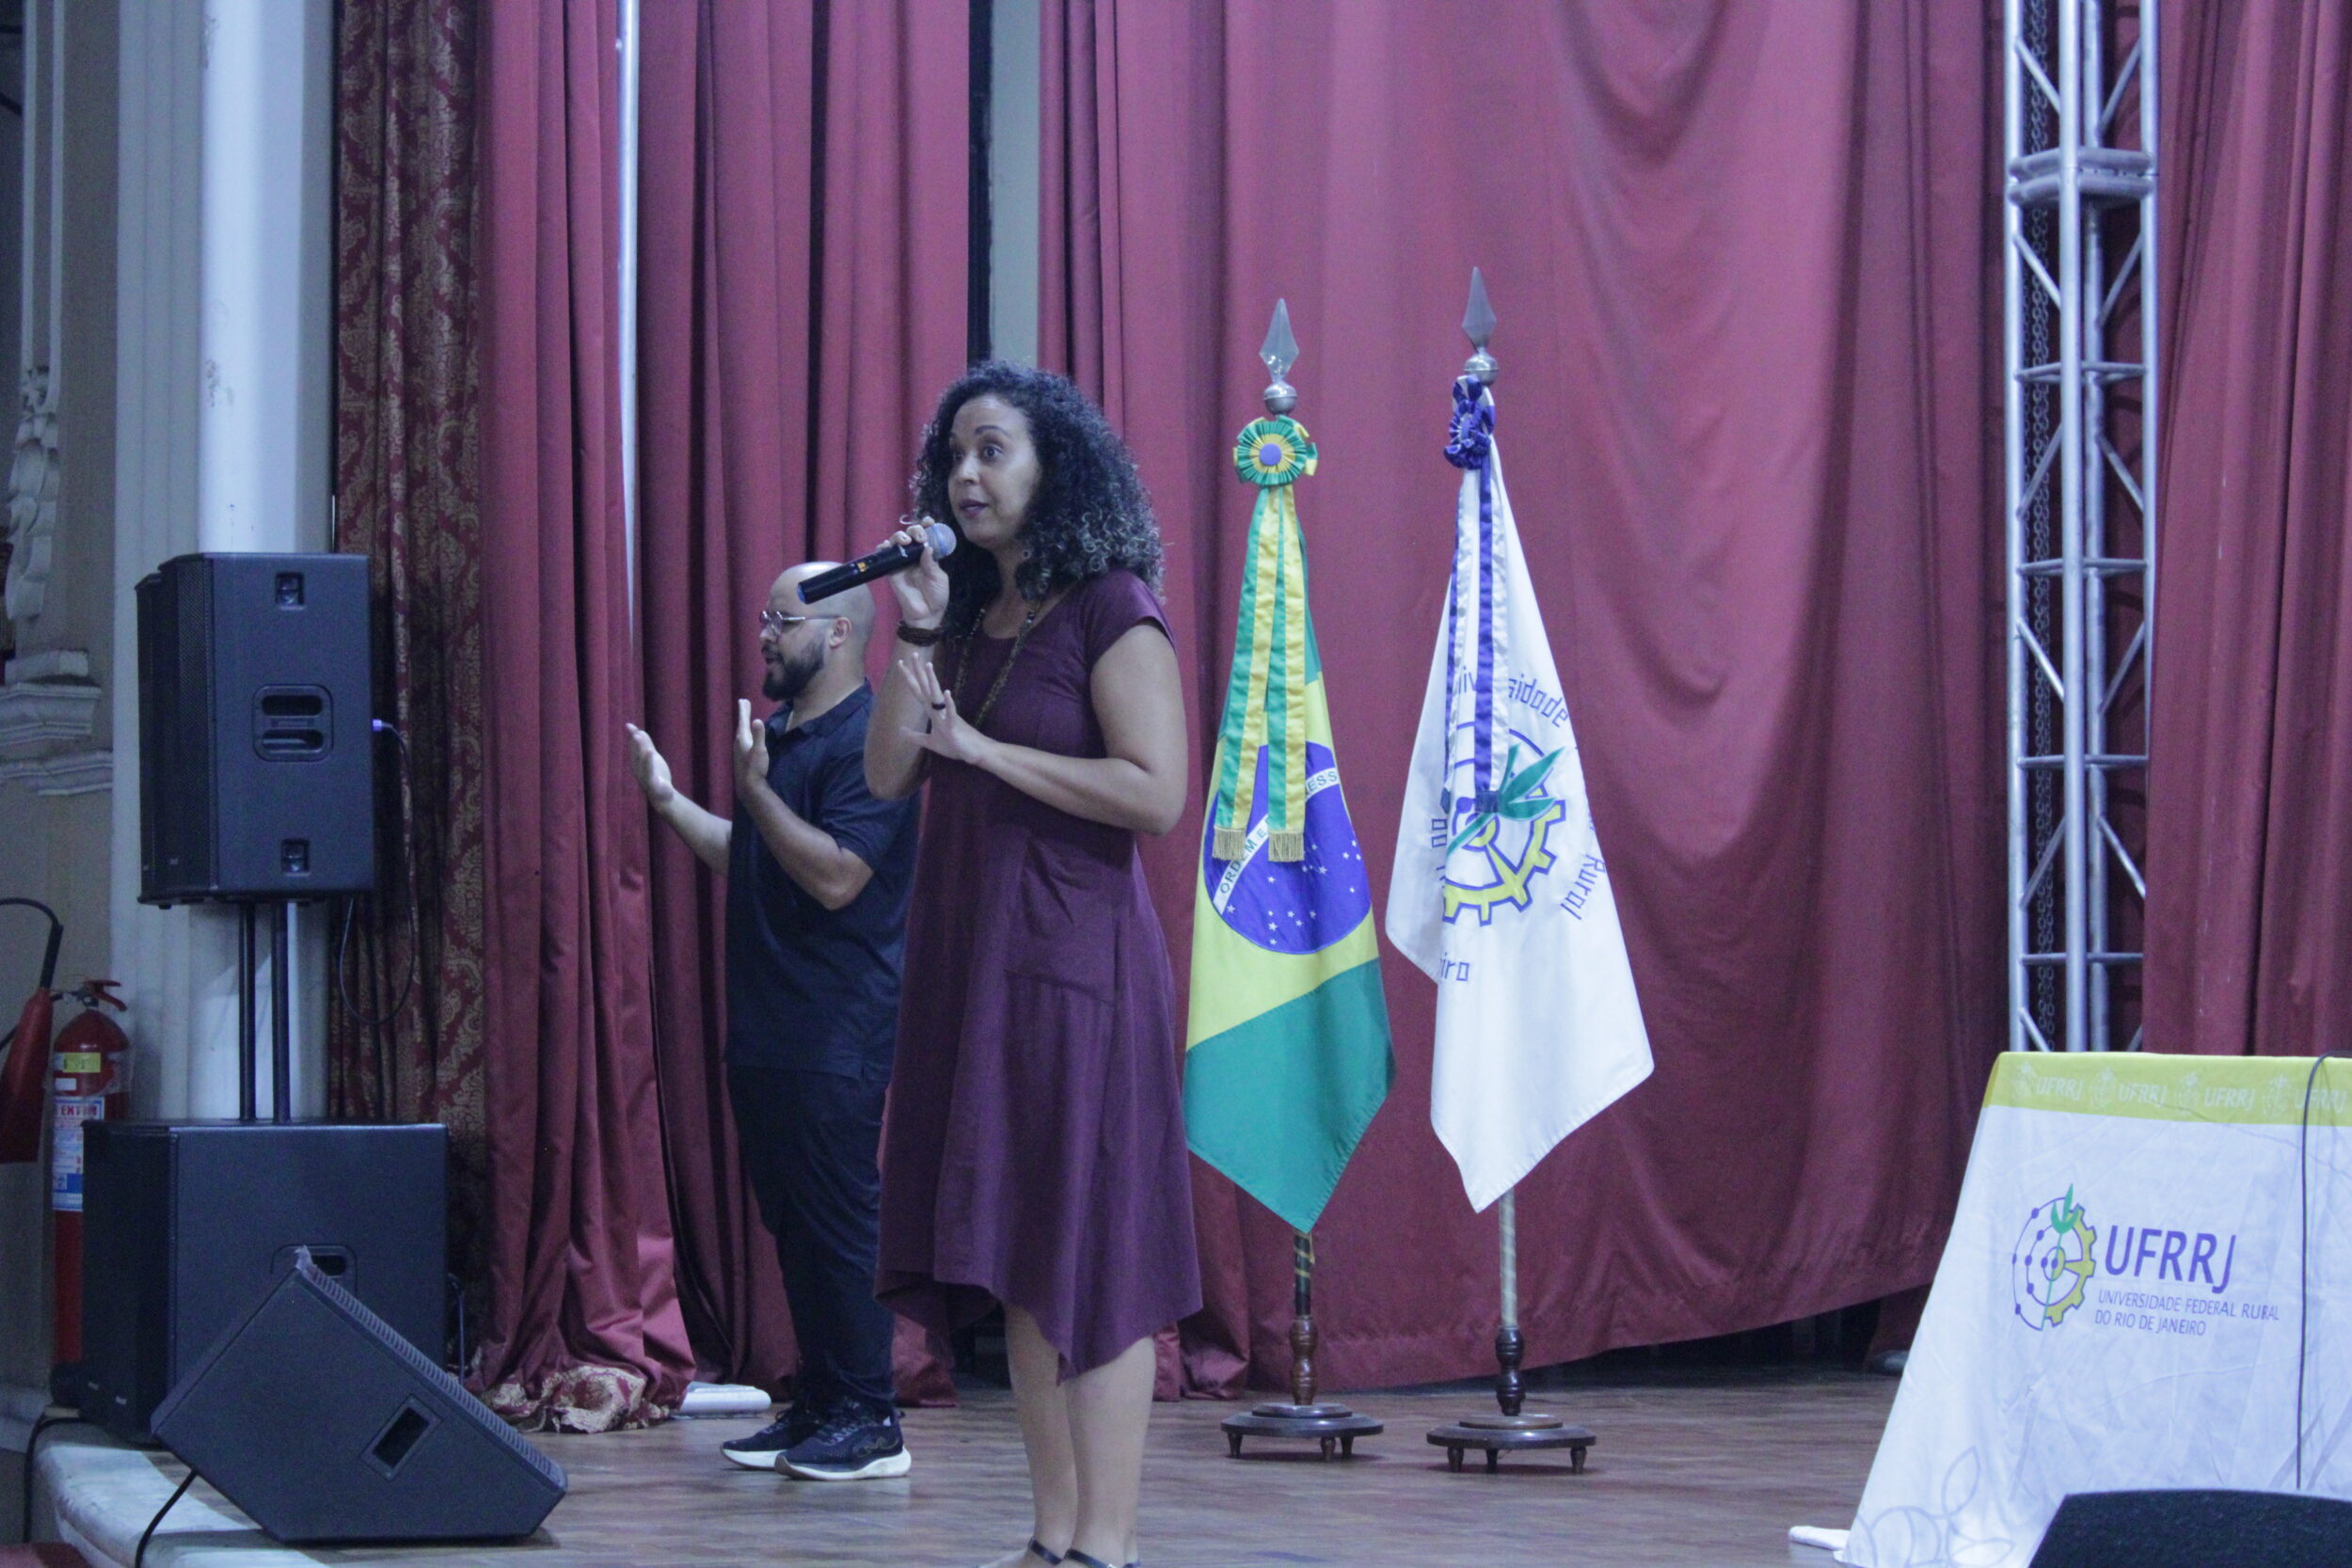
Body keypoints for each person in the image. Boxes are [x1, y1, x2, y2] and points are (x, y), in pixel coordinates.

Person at [866, 363, 1199, 1568]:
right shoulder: (961, 620)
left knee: (1091, 1253)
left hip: (1078, 971)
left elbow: (1156, 792)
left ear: (1055, 467)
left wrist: (989, 753)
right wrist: (913, 625)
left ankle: (1105, 1543)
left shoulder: (1112, 605)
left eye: (992, 449)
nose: (965, 474)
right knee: (1017, 1255)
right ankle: (1053, 1535)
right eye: (953, 454)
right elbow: (888, 774)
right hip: (975, 966)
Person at [624, 566, 919, 1481]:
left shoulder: (871, 739)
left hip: (836, 1029)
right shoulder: (784, 735)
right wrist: (672, 802)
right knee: (794, 1225)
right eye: (763, 617)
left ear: (837, 633)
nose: (763, 634)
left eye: (780, 620)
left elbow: (836, 875)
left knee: (838, 1224)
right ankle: (823, 1403)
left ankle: (870, 1418)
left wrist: (756, 795)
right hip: (769, 1027)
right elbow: (754, 855)